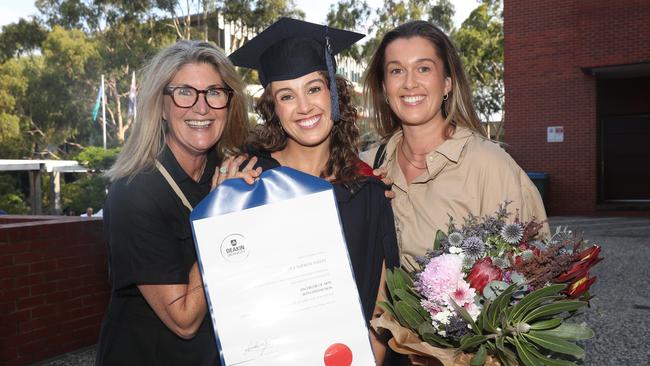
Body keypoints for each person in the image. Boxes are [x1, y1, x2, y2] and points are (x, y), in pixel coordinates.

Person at [361, 20, 548, 365]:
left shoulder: (489, 166)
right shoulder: (367, 167)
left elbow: (532, 286)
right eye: (396, 71)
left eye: (424, 68)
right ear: (384, 87)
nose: (410, 83)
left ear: (447, 83)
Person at [228, 17, 399, 364]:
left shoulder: (367, 189)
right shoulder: (249, 184)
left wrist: (370, 359)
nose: (304, 107)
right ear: (273, 108)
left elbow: (382, 302)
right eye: (287, 96)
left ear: (334, 93)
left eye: (314, 88)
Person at [96, 40, 253, 366]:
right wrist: (219, 218)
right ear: (161, 106)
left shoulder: (226, 173)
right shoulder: (135, 193)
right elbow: (183, 319)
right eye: (184, 92)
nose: (202, 107)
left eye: (214, 92)